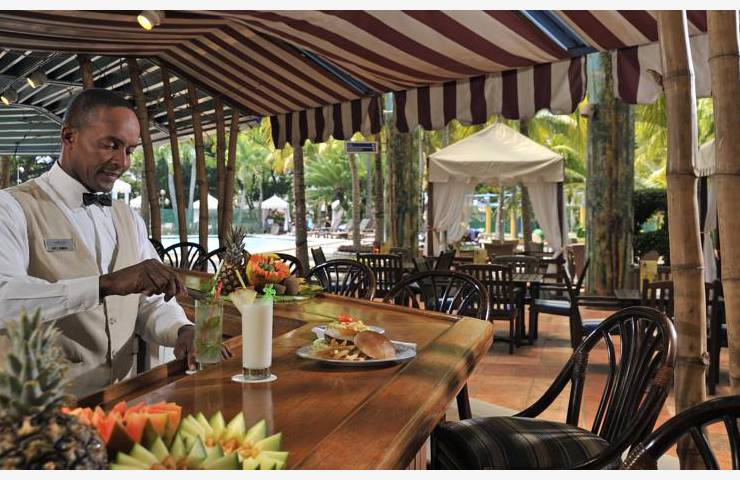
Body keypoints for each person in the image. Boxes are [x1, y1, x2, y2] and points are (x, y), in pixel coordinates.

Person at [0, 89, 215, 397]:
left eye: (129, 150)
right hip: (42, 407)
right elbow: (5, 298)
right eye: (111, 145)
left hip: (122, 399)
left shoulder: (128, 217)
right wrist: (105, 285)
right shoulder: (11, 207)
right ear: (69, 136)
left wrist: (181, 329)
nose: (121, 161)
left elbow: (151, 302)